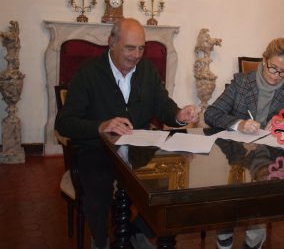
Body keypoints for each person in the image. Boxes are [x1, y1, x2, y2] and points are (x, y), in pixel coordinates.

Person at [55, 18, 199, 249]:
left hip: (137, 149)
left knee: (172, 184)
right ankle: (100, 241)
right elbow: (65, 123)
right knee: (98, 187)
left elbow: (163, 105)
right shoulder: (88, 73)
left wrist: (179, 115)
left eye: (141, 48)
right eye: (130, 48)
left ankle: (135, 232)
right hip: (96, 149)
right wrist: (101, 126)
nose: (136, 55)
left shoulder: (147, 70)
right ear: (111, 42)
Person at [204, 38, 284, 249]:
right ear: (264, 60)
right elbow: (211, 113)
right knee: (232, 187)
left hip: (272, 156)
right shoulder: (242, 82)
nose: (276, 75)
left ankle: (255, 234)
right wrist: (238, 123)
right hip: (238, 154)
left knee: (262, 185)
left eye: (283, 71)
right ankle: (225, 229)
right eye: (273, 68)